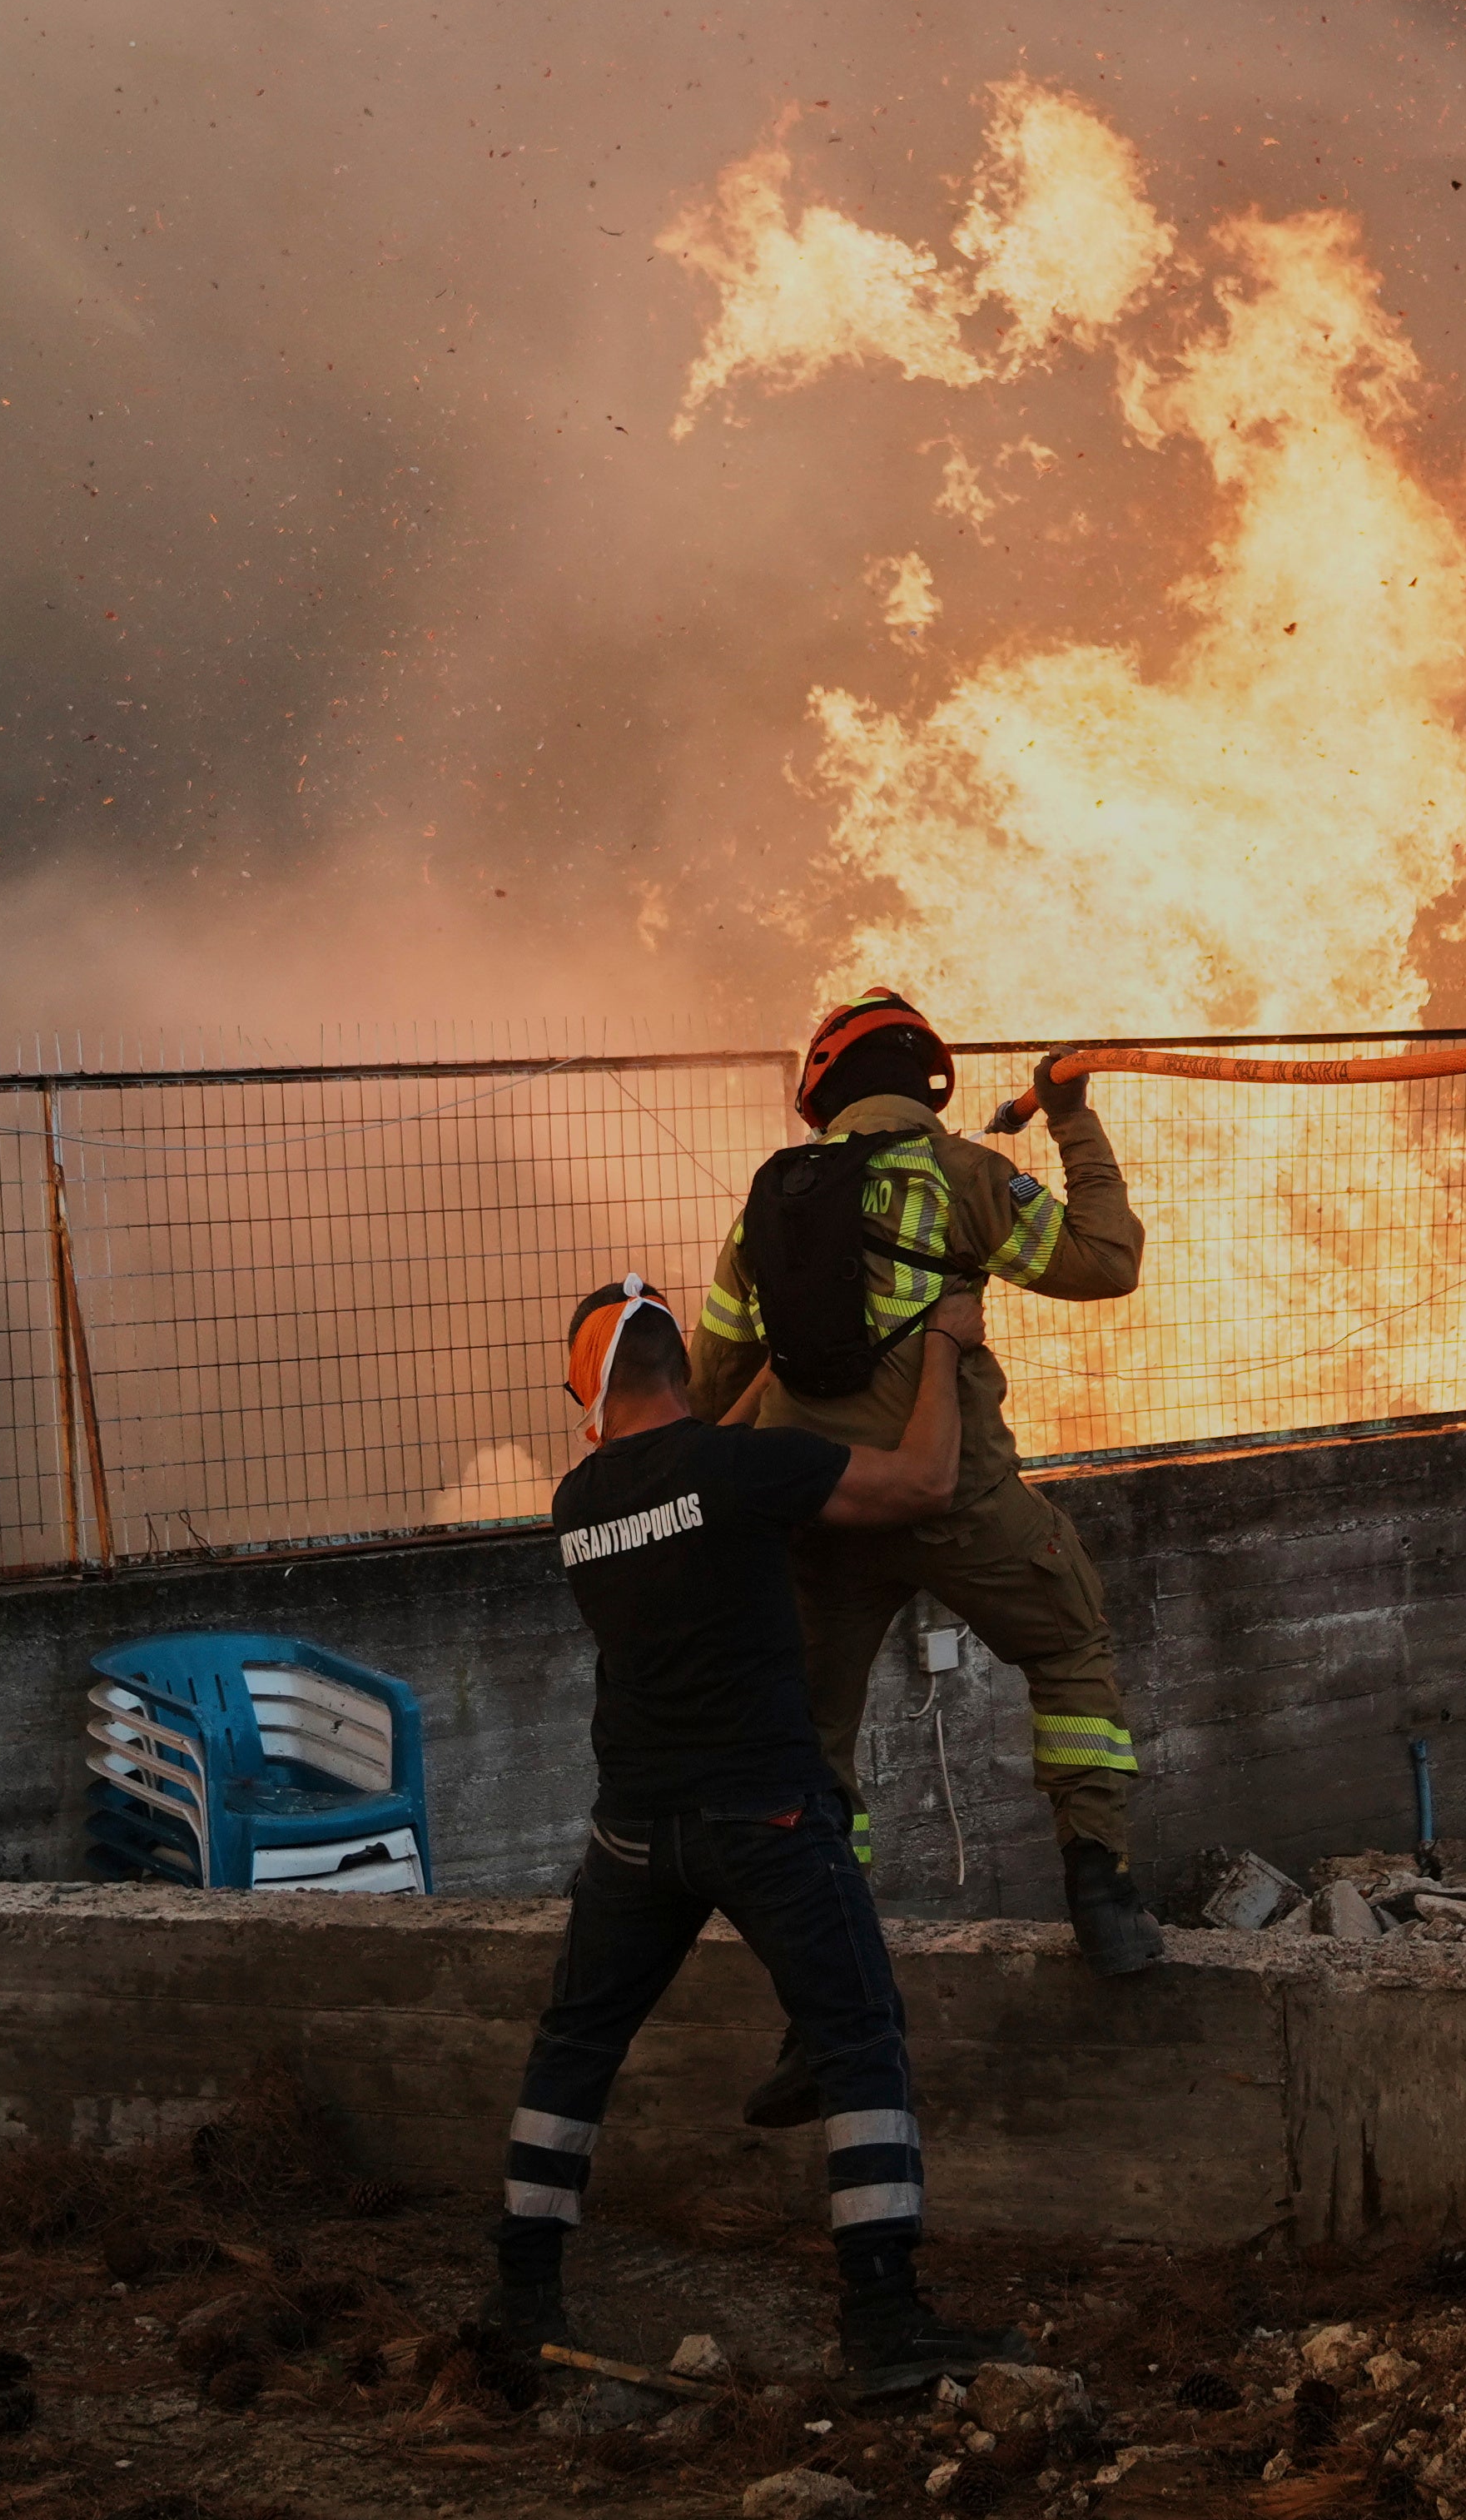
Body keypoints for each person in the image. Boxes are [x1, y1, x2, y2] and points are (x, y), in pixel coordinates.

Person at [478, 1274, 1030, 2403]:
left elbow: (687, 1472)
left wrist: (765, 1385)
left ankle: (520, 2295)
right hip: (767, 1819)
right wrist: (937, 1344)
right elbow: (922, 1479)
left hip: (632, 1831)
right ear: (683, 1366)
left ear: (590, 1389)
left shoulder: (580, 1500)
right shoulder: (739, 1473)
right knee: (857, 2033)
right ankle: (881, 2319)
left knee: (574, 2042)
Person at [698, 986, 1165, 2012]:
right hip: (961, 1504)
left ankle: (831, 1946)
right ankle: (1101, 1888)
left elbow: (712, 1382)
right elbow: (1108, 1262)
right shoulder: (963, 1176)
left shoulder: (764, 1202)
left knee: (815, 1733)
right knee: (1067, 1645)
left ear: (823, 1089)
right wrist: (1075, 1121)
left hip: (816, 1515)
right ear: (927, 1084)